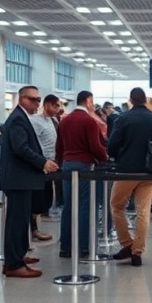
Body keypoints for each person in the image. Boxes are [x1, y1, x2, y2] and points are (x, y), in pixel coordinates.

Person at [107, 87, 152, 267]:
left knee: (116, 205)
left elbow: (111, 146)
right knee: (143, 211)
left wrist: (120, 153)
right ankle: (137, 253)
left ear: (131, 100)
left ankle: (127, 244)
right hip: (150, 171)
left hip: (127, 170)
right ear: (144, 100)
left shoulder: (123, 118)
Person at [0, 85, 58, 278]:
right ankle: (14, 264)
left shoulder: (22, 118)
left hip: (22, 179)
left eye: (39, 99)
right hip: (18, 180)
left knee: (21, 221)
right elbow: (21, 148)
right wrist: (43, 162)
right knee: (16, 222)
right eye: (34, 99)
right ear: (22, 99)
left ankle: (17, 256)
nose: (37, 103)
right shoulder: (17, 120)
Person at [55, 90, 109, 258]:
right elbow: (95, 146)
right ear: (87, 101)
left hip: (67, 164)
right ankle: (85, 246)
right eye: (92, 102)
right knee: (86, 205)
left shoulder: (65, 121)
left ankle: (66, 246)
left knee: (69, 206)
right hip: (84, 165)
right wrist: (105, 157)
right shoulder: (89, 121)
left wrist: (61, 160)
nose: (93, 105)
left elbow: (59, 146)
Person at [27, 94, 62, 242]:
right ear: (47, 105)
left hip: (51, 164)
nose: (57, 109)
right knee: (37, 198)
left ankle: (34, 227)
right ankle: (33, 229)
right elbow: (32, 143)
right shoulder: (35, 121)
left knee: (46, 198)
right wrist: (40, 162)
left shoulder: (53, 121)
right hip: (40, 164)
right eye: (55, 106)